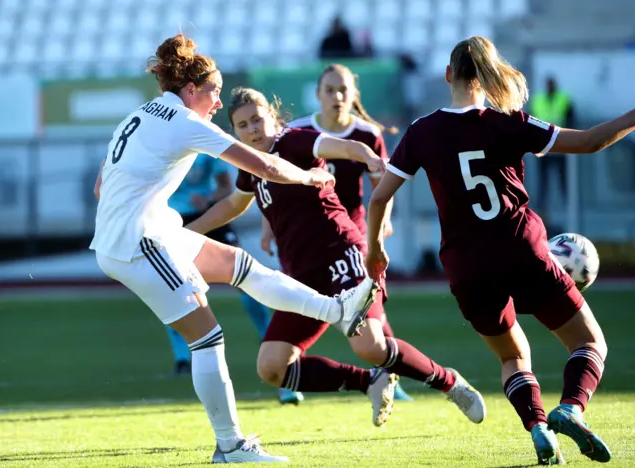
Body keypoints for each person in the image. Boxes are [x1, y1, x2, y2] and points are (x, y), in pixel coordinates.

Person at [90, 34, 379, 464]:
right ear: (191, 90)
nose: (218, 103)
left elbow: (100, 188)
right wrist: (309, 177)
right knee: (208, 338)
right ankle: (229, 446)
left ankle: (338, 310)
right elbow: (263, 165)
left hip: (150, 232)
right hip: (138, 243)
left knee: (243, 267)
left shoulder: (138, 116)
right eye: (215, 92)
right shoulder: (187, 122)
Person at [365, 36, 635, 464]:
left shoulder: (422, 131)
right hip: (520, 248)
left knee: (512, 356)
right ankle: (570, 408)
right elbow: (589, 142)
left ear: (448, 74)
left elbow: (379, 198)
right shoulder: (509, 121)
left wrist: (375, 249)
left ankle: (538, 427)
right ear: (488, 75)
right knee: (589, 343)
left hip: (466, 266)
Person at [188, 87, 486, 428]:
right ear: (235, 132)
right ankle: (369, 382)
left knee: (370, 346)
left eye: (258, 119)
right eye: (243, 125)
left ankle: (450, 383)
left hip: (343, 257)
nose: (253, 129)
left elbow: (345, 147)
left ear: (273, 117)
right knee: (271, 367)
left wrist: (369, 159)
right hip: (301, 277)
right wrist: (187, 232)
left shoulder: (295, 142)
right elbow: (232, 205)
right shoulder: (250, 165)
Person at [277, 63, 413, 401]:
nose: (337, 96)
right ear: (318, 94)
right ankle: (290, 372)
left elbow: (382, 188)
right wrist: (268, 227)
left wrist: (380, 227)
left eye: (343, 90)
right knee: (290, 297)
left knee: (368, 309)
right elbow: (274, 183)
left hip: (350, 237)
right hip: (305, 237)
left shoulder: (367, 135)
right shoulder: (296, 132)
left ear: (353, 95)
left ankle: (391, 376)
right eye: (329, 90)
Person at [168, 153, 304, 403]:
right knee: (175, 287)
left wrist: (208, 198)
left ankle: (268, 337)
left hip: (209, 218)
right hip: (174, 222)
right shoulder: (161, 148)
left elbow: (225, 188)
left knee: (244, 279)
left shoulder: (204, 147)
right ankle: (182, 357)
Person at [531, 76, 576, 229]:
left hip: (560, 146)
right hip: (544, 148)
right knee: (543, 182)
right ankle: (542, 211)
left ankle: (569, 206)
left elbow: (571, 118)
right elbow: (532, 119)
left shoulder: (563, 99)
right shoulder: (538, 100)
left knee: (564, 180)